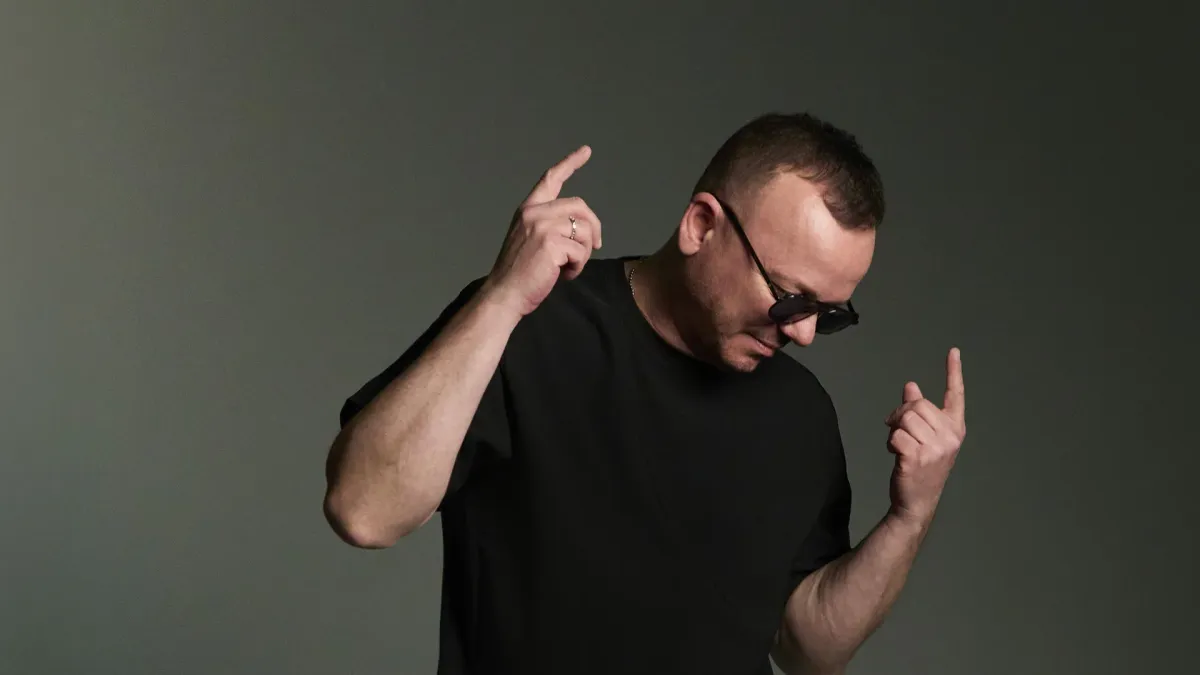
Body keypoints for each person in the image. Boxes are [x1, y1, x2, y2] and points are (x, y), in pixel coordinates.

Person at [323, 112, 967, 675]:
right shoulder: (531, 328)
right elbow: (363, 510)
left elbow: (809, 652)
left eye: (828, 313)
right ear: (701, 225)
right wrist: (501, 299)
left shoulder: (802, 415)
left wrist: (910, 516)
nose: (802, 333)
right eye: (791, 297)